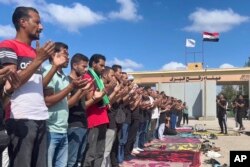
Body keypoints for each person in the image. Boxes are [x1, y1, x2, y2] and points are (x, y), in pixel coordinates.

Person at [0, 6, 55, 167]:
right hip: (20, 118)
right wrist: (38, 61)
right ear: (22, 22)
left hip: (41, 117)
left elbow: (34, 85)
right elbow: (12, 83)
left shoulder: (34, 52)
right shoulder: (8, 45)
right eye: (37, 22)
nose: (41, 26)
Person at [83, 54, 109, 167]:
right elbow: (90, 99)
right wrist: (105, 92)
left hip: (102, 118)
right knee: (91, 153)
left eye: (104, 66)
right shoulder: (88, 77)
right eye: (101, 65)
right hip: (93, 120)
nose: (103, 68)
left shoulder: (99, 79)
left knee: (100, 152)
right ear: (93, 64)